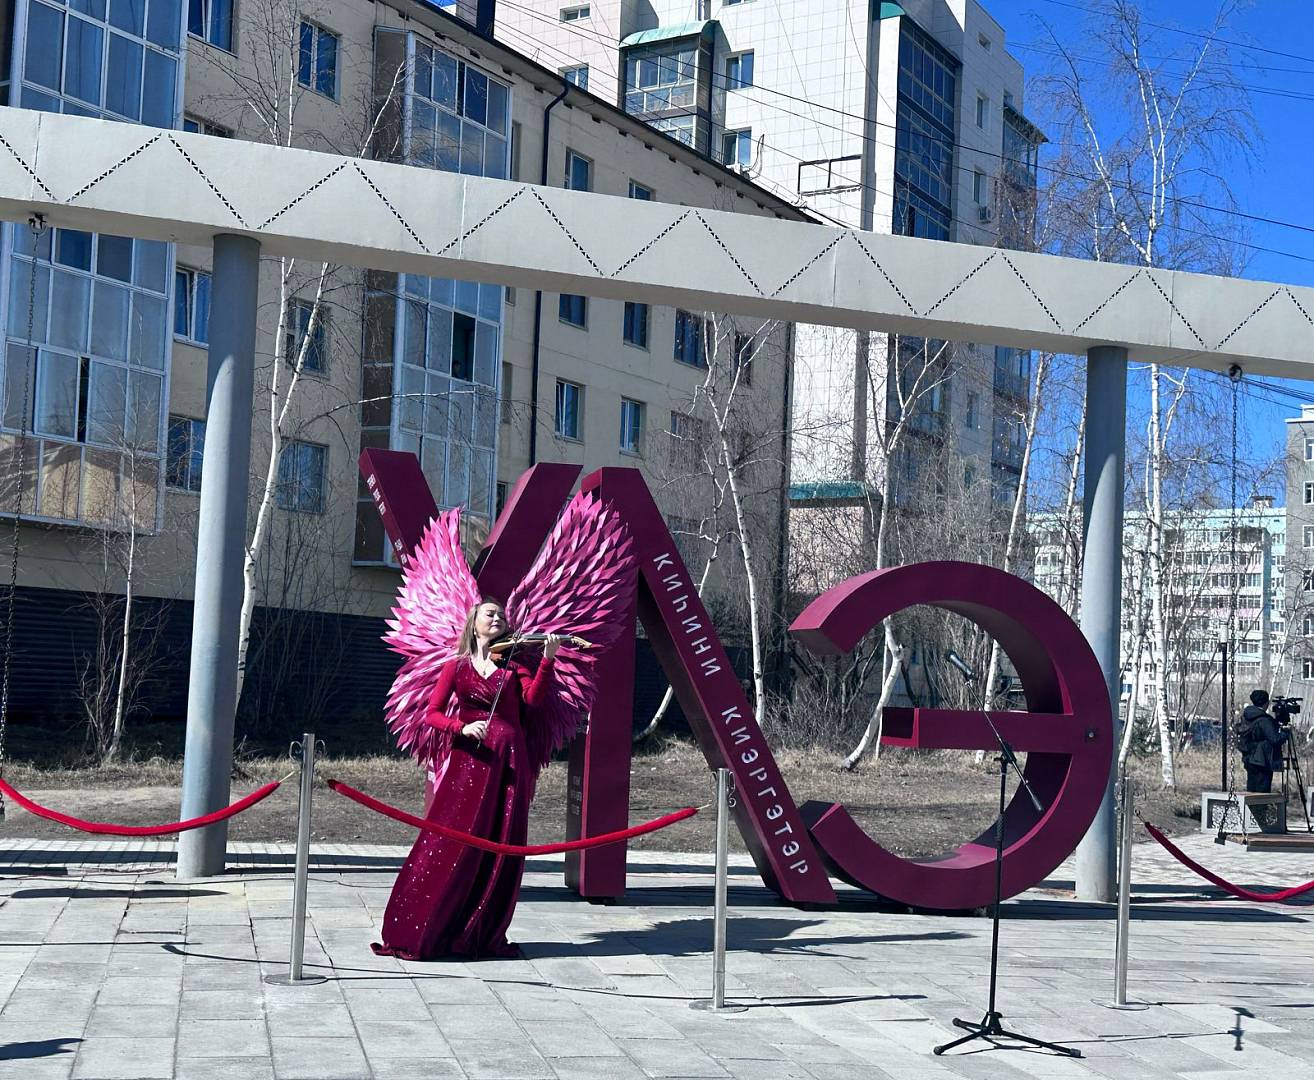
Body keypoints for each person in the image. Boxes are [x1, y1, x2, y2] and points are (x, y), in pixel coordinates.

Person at [371, 599, 565, 960]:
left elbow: (534, 701)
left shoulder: (514, 666)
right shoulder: (456, 667)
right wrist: (461, 727)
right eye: (490, 613)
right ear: (473, 623)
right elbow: (432, 714)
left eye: (502, 615)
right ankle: (422, 926)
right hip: (469, 761)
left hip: (509, 761)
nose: (498, 617)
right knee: (449, 836)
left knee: (498, 840)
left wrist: (548, 660)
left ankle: (479, 929)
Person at [1239, 689, 1289, 794]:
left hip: (1250, 758)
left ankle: (1252, 805)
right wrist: (1285, 732)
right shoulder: (1264, 720)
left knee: (1252, 792)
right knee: (1262, 794)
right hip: (1262, 760)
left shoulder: (1247, 716)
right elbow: (1275, 739)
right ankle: (1259, 806)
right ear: (1266, 703)